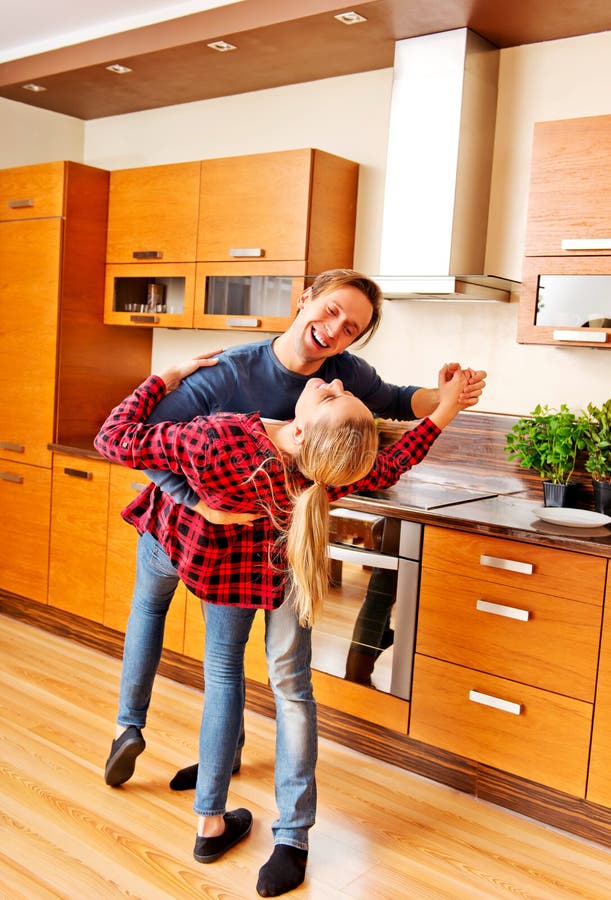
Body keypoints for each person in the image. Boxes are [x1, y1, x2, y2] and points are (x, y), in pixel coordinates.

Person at [95, 354, 472, 896]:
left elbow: (113, 438)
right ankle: (269, 830)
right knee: (274, 688)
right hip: (271, 571)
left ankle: (202, 809)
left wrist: (162, 379)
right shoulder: (329, 469)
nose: (336, 379)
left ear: (299, 430)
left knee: (221, 673)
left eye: (333, 395)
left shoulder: (219, 440)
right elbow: (391, 465)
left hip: (222, 569)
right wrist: (444, 412)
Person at [102, 269, 487, 800]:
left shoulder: (341, 376)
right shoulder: (228, 372)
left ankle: (200, 762)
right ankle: (146, 737)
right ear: (306, 299)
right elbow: (142, 445)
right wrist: (198, 502)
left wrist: (443, 397)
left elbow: (398, 400)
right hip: (185, 525)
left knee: (214, 656)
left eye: (351, 328)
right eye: (331, 310)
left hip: (253, 547)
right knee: (207, 649)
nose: (335, 329)